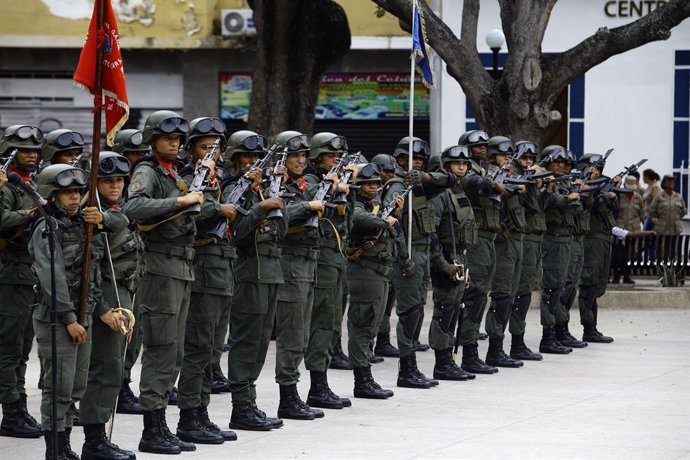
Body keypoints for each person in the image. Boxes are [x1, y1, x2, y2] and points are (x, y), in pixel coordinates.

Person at [123, 110, 203, 454]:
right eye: (168, 137)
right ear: (152, 139)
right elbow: (134, 206)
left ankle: (162, 425)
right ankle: (151, 429)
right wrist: (180, 200)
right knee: (159, 348)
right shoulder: (147, 170)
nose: (175, 142)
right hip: (159, 266)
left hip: (181, 266)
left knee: (175, 349)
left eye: (178, 139)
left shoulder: (172, 171)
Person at [30, 164, 110, 459]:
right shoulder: (46, 227)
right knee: (58, 388)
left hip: (82, 317)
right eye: (67, 193)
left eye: (77, 191)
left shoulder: (83, 226)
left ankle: (64, 444)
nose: (75, 198)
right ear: (53, 195)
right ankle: (55, 450)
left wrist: (92, 313)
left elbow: (94, 275)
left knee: (75, 387)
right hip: (58, 320)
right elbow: (52, 280)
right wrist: (69, 319)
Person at [175, 117, 238, 444]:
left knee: (212, 348)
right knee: (198, 346)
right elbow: (191, 216)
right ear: (191, 150)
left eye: (216, 147)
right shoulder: (187, 180)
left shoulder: (217, 180)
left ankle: (201, 413)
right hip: (202, 268)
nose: (211, 153)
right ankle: (189, 417)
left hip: (222, 268)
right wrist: (219, 208)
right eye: (204, 147)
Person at [220, 130, 287, 431]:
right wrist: (261, 206)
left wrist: (272, 197)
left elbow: (281, 233)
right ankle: (241, 406)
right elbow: (234, 234)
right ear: (235, 160)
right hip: (248, 272)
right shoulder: (233, 189)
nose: (252, 162)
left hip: (270, 272)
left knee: (261, 344)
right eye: (246, 157)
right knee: (246, 341)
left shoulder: (261, 189)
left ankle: (250, 402)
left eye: (257, 158)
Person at [79, 151, 138, 460]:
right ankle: (94, 441)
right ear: (94, 182)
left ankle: (99, 437)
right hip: (104, 301)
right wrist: (103, 309)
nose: (115, 185)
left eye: (119, 180)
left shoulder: (113, 210)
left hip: (122, 297)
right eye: (107, 180)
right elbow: (88, 269)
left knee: (113, 369)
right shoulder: (89, 216)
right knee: (103, 370)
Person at [384, 136, 454, 389]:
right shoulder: (396, 186)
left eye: (422, 161)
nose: (418, 164)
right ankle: (406, 369)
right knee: (410, 313)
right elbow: (392, 225)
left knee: (418, 309)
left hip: (425, 252)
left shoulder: (423, 185)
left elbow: (451, 180)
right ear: (401, 160)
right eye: (413, 160)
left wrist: (426, 178)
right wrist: (404, 257)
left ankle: (411, 366)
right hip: (409, 254)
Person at [269, 130, 327, 420]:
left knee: (303, 332)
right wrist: (307, 206)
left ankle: (295, 394)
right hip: (289, 263)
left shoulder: (303, 185)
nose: (301, 160)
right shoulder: (274, 185)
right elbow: (275, 214)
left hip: (308, 263)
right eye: (295, 155)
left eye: (304, 155)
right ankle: (287, 397)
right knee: (292, 334)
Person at [303, 132, 355, 410]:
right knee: (322, 321)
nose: (336, 161)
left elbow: (349, 217)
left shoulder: (334, 181)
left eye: (338, 157)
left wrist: (347, 187)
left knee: (332, 320)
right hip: (321, 260)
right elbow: (310, 203)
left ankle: (320, 384)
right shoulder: (312, 181)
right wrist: (332, 188)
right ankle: (317, 386)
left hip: (335, 259)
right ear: (318, 157)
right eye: (331, 156)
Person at [0, 125, 43, 439]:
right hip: (11, 274)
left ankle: (20, 408)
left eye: (34, 150)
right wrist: (30, 213)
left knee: (23, 349)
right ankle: (11, 412)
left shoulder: (31, 182)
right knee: (8, 350)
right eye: (24, 150)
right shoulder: (5, 184)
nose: (30, 155)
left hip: (31, 274)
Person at [346, 163, 400, 399]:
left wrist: (394, 213)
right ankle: (361, 380)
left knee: (371, 326)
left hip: (378, 272)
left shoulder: (375, 205)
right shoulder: (357, 205)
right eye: (368, 184)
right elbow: (359, 219)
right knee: (362, 326)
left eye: (377, 184)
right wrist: (385, 221)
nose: (373, 188)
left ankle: (366, 376)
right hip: (364, 272)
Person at [457, 130, 505, 374]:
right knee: (474, 294)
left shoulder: (484, 171)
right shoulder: (468, 172)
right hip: (474, 238)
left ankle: (472, 347)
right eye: (478, 146)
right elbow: (472, 184)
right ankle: (468, 351)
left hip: (488, 237)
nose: (484, 149)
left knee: (481, 294)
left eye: (485, 146)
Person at [428, 145, 476, 381]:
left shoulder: (459, 193)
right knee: (444, 311)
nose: (461, 168)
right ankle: (442, 362)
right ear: (445, 166)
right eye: (457, 164)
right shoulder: (439, 195)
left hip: (460, 258)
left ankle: (449, 360)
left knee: (455, 311)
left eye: (465, 164)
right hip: (445, 260)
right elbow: (432, 234)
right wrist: (444, 264)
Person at [111, 129, 149, 415]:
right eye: (132, 155)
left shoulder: (139, 184)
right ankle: (114, 388)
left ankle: (123, 384)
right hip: (113, 270)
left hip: (137, 269)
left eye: (140, 155)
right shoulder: (110, 185)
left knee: (134, 335)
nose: (137, 160)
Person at [483, 136, 527, 368]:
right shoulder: (488, 177)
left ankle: (502, 347)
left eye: (509, 156)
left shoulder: (509, 175)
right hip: (500, 241)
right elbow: (492, 199)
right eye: (503, 156)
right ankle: (494, 348)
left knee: (510, 293)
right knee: (501, 294)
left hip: (514, 239)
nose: (507, 160)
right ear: (492, 157)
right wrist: (510, 188)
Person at [538, 146, 581, 354]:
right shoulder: (543, 181)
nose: (561, 166)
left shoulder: (562, 181)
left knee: (562, 288)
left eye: (564, 163)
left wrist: (577, 193)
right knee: (551, 289)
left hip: (565, 239)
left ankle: (556, 332)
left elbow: (578, 208)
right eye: (557, 162)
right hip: (552, 239)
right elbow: (546, 202)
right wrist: (566, 198)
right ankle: (548, 337)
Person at [508, 141, 545, 361]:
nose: (528, 162)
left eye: (532, 159)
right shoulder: (513, 177)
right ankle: (514, 342)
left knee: (524, 293)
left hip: (530, 238)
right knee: (516, 292)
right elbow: (529, 205)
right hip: (519, 237)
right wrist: (530, 184)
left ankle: (518, 342)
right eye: (525, 158)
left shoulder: (530, 178)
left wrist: (540, 183)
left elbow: (540, 205)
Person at [578, 153, 619, 344]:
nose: (597, 172)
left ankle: (592, 326)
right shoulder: (581, 186)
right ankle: (589, 328)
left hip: (603, 239)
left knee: (598, 284)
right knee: (588, 284)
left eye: (600, 170)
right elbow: (590, 206)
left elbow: (612, 213)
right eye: (594, 168)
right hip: (591, 239)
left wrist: (612, 193)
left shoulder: (600, 188)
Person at [370, 153, 401, 359]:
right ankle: (370, 345)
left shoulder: (386, 191)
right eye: (385, 172)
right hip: (370, 255)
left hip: (388, 252)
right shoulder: (370, 194)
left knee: (386, 303)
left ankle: (382, 341)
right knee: (371, 307)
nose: (388, 175)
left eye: (391, 172)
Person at [611, 175, 644, 284]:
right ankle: (616, 275)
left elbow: (642, 214)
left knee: (631, 254)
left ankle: (627, 275)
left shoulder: (638, 198)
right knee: (618, 254)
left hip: (633, 229)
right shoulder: (619, 196)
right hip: (620, 229)